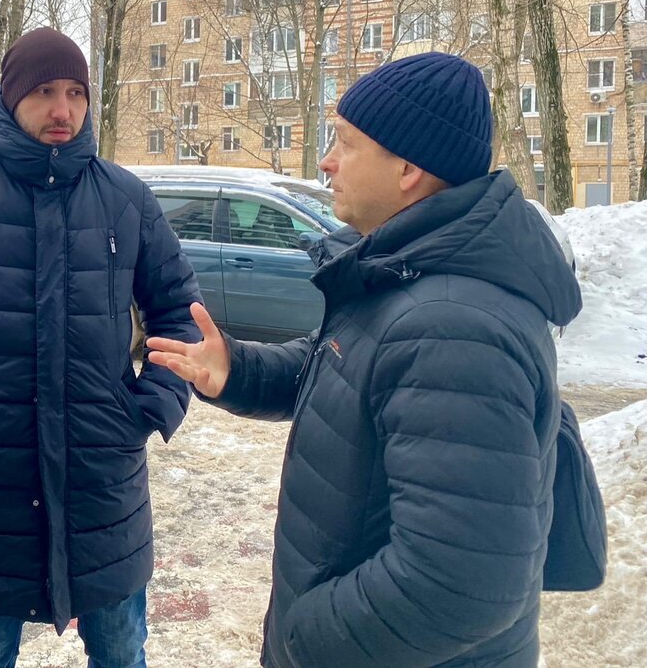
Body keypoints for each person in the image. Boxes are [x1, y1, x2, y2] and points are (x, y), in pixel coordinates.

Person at [146, 52, 582, 668]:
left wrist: (302, 639)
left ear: (408, 168)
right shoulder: (406, 270)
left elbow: (458, 587)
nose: (327, 162)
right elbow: (347, 369)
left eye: (346, 144)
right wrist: (237, 369)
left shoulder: (456, 328)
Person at [0, 27, 201, 667]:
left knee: (121, 653)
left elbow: (180, 314)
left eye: (75, 92)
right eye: (45, 91)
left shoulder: (126, 198)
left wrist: (148, 408)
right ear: (10, 96)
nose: (62, 110)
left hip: (102, 478)